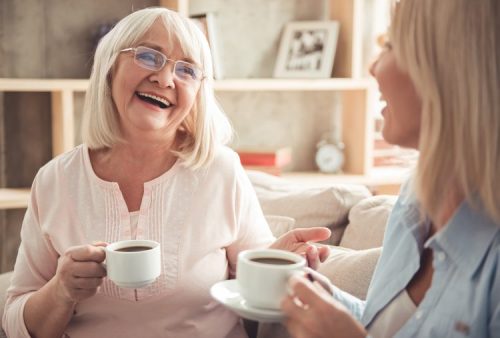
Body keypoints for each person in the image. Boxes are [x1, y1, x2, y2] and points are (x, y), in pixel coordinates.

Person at [2, 7, 330, 338]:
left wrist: (282, 262)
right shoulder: (54, 181)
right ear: (110, 68)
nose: (165, 79)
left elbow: (256, 287)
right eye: (148, 56)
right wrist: (60, 291)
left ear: (199, 93)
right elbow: (15, 321)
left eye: (187, 70)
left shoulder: (221, 171)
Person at [281, 0, 500, 337]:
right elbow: (392, 327)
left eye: (390, 46)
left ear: (449, 70)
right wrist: (326, 302)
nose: (373, 67)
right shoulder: (416, 195)